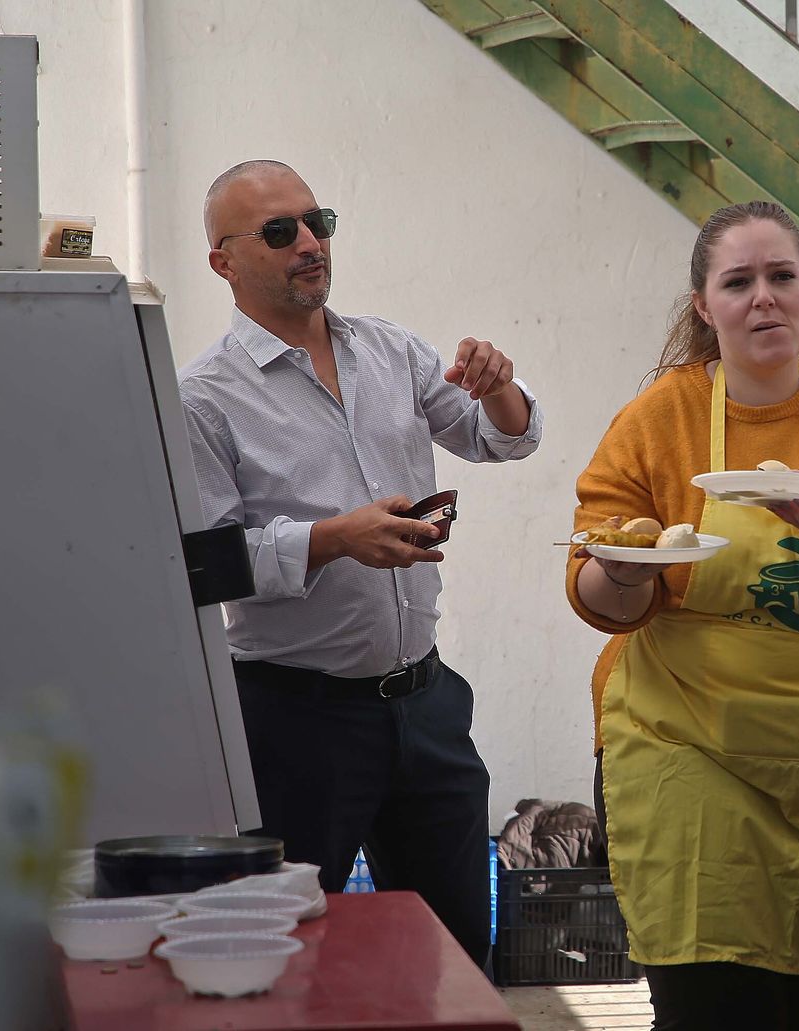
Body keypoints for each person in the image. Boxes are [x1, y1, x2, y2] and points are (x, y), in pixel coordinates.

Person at [565, 200, 799, 1030]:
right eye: (739, 281)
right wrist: (622, 569)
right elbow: (599, 597)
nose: (763, 297)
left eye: (781, 276)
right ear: (705, 306)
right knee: (710, 1008)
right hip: (688, 751)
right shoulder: (658, 420)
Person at [179, 160, 543, 966]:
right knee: (290, 959)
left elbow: (503, 437)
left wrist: (499, 385)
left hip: (425, 701)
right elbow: (205, 565)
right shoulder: (204, 397)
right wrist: (333, 539)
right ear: (224, 262)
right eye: (280, 232)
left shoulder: (390, 350)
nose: (310, 243)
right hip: (294, 719)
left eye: (318, 222)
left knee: (453, 962)